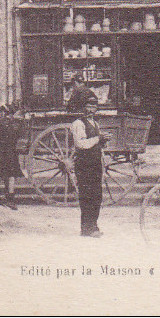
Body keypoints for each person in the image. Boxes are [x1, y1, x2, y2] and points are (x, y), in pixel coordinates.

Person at [70, 93, 106, 237]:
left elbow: (96, 143)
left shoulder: (95, 124)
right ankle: (86, 228)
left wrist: (102, 141)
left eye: (94, 107)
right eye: (89, 106)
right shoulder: (78, 124)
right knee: (87, 195)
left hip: (95, 163)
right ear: (83, 108)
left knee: (97, 195)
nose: (91, 110)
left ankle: (94, 225)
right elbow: (81, 144)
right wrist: (98, 138)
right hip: (84, 164)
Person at [0, 104, 24, 210]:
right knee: (11, 176)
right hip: (10, 152)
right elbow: (18, 135)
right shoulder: (16, 124)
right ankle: (10, 198)